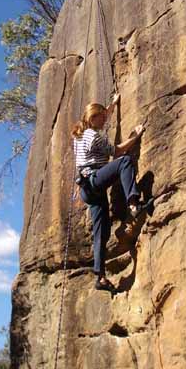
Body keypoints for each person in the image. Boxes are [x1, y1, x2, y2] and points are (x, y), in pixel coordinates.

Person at [72, 94, 150, 291]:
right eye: (102, 118)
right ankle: (134, 204)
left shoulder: (81, 134)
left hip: (88, 190)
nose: (105, 120)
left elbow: (103, 114)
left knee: (102, 232)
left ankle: (100, 277)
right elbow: (117, 151)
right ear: (93, 118)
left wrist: (113, 104)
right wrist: (136, 136)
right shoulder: (92, 136)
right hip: (94, 181)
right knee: (124, 162)